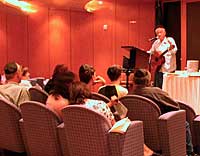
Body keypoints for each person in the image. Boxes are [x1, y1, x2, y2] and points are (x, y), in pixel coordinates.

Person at [69, 81, 159, 156]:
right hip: (108, 145)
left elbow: (90, 111)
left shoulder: (69, 110)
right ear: (85, 92)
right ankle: (148, 152)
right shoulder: (99, 105)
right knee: (128, 124)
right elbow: (114, 126)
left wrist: (109, 104)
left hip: (82, 148)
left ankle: (147, 151)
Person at [130, 68, 195, 156]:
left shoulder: (128, 96)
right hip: (160, 132)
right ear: (149, 81)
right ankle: (188, 153)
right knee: (184, 123)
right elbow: (176, 107)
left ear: (133, 81)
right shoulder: (156, 92)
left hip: (137, 136)